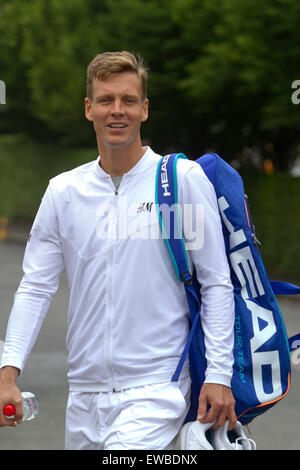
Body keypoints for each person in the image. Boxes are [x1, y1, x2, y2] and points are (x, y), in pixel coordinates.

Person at [0, 51, 236, 450]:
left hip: (156, 387)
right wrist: (8, 373)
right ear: (89, 109)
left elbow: (216, 282)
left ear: (144, 110)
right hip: (84, 395)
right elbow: (36, 287)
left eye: (128, 100)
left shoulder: (182, 180)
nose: (117, 111)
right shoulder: (64, 192)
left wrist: (219, 374)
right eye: (106, 100)